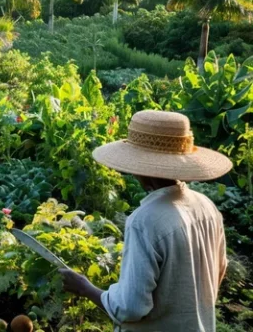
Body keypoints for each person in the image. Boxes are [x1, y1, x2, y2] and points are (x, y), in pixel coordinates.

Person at [59, 110, 231, 332]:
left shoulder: (146, 221)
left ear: (139, 168)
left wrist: (85, 288)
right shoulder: (206, 206)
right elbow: (219, 271)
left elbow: (130, 307)